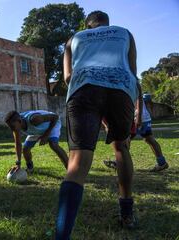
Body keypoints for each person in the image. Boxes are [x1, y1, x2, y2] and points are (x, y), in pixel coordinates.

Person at [56, 11, 140, 239]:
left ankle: (62, 235)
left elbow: (67, 77)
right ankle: (127, 213)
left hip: (84, 88)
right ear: (106, 24)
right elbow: (132, 71)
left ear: (88, 25)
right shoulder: (125, 34)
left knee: (77, 162)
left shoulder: (74, 38)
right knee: (121, 147)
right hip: (121, 88)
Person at [104, 93, 169, 172]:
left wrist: (138, 118)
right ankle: (162, 163)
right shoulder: (131, 83)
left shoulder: (129, 84)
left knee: (125, 140)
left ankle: (120, 163)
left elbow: (139, 100)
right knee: (149, 139)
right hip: (145, 118)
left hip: (136, 118)